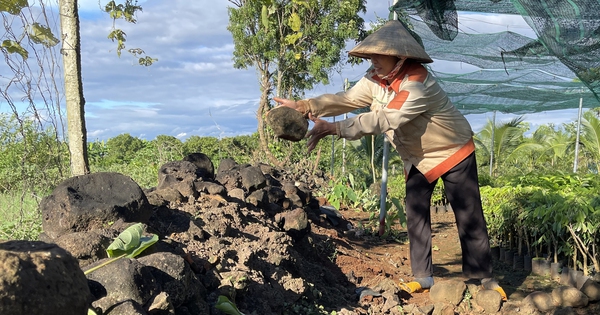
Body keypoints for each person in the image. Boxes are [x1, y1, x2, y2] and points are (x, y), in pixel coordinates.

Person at [274, 20, 507, 300]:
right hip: (418, 157)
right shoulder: (375, 79)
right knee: (415, 213)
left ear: (399, 56)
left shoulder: (418, 83)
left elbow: (386, 118)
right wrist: (306, 105)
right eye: (370, 55)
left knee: (468, 215)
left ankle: (482, 279)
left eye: (378, 55)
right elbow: (346, 99)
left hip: (453, 151)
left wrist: (335, 128)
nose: (373, 60)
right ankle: (423, 278)